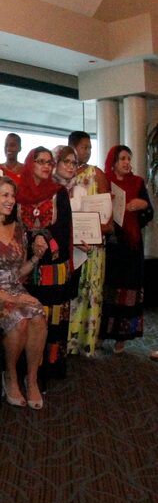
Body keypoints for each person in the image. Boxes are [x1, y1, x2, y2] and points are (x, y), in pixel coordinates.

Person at [0, 176, 47, 409]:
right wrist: (12, 298)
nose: (11, 200)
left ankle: (31, 380)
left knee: (37, 315)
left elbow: (19, 271)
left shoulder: (19, 228)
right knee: (19, 320)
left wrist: (36, 257)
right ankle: (10, 376)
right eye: (5, 195)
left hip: (16, 288)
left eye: (12, 195)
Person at [15, 147, 72, 379]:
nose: (46, 166)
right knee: (30, 315)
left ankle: (51, 366)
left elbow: (63, 227)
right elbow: (14, 228)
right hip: (27, 267)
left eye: (50, 162)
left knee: (54, 317)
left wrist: (43, 237)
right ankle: (28, 368)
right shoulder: (17, 193)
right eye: (40, 161)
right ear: (30, 164)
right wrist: (33, 240)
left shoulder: (59, 192)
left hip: (54, 269)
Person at [52, 144, 110, 356]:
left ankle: (63, 349)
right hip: (53, 256)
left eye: (73, 162)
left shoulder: (80, 190)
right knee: (53, 303)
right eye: (65, 161)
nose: (70, 166)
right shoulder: (48, 189)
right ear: (55, 162)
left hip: (77, 254)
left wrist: (86, 236)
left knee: (69, 299)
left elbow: (92, 222)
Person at [101, 145, 153, 353]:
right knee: (108, 292)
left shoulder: (138, 182)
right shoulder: (104, 181)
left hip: (131, 247)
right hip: (110, 246)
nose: (126, 162)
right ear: (113, 162)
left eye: (128, 158)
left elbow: (149, 212)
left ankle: (121, 339)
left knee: (127, 293)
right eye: (122, 158)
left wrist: (142, 206)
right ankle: (103, 333)